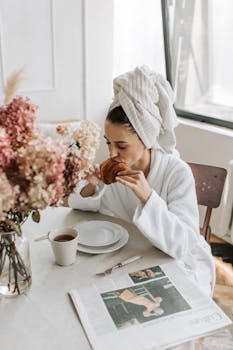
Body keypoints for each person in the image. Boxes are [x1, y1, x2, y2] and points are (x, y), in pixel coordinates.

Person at [69, 66, 215, 349]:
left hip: (177, 262)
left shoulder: (176, 173)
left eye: (120, 145)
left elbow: (184, 242)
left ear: (146, 139)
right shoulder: (120, 170)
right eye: (108, 143)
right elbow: (92, 205)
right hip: (131, 257)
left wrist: (149, 198)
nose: (111, 154)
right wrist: (90, 187)